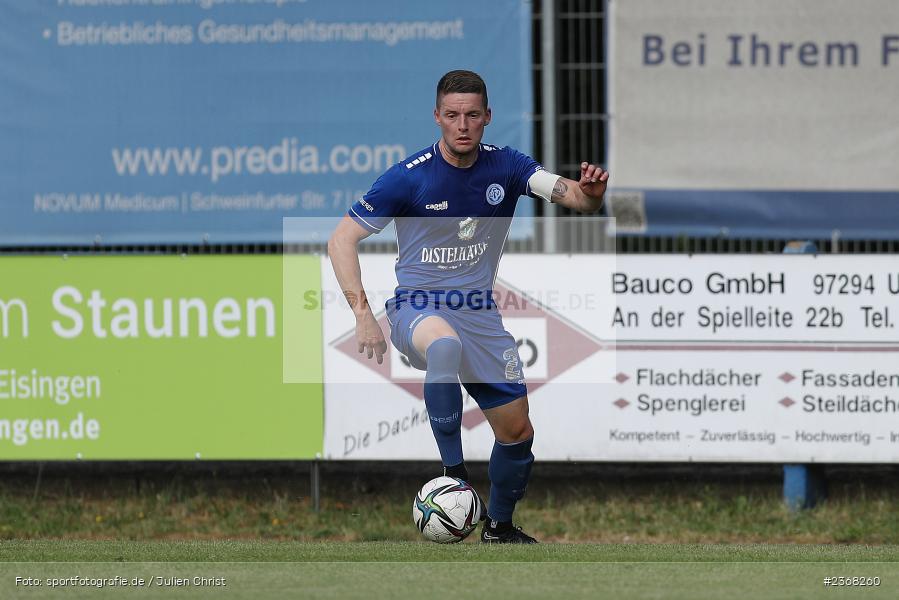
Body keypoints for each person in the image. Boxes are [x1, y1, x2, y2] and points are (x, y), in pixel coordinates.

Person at [328, 70, 608, 544]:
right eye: (453, 115)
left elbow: (575, 197)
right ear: (437, 116)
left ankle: (499, 527)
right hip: (418, 307)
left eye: (472, 116)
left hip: (480, 313)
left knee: (517, 432)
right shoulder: (408, 177)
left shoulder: (509, 167)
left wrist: (593, 194)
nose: (463, 125)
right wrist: (363, 316)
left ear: (487, 118)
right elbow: (341, 240)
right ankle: (454, 477)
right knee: (443, 346)